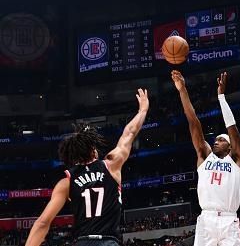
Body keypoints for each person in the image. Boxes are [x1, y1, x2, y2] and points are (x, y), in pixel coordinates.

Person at [26, 89, 149, 246]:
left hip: (82, 242)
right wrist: (143, 110)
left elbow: (43, 223)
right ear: (93, 151)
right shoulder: (111, 165)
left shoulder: (66, 182)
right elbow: (129, 133)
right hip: (108, 242)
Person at [171, 70, 240, 246]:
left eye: (221, 140)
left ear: (230, 146)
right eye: (215, 139)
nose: (216, 142)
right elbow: (193, 121)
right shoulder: (205, 157)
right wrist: (182, 90)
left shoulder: (235, 160)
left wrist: (221, 98)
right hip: (207, 218)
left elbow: (232, 128)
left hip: (229, 220)